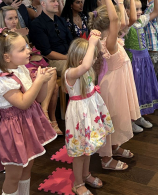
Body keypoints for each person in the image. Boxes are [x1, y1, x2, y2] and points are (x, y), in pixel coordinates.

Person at [0, 28, 57, 195]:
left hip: (27, 124)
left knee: (27, 167)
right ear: (6, 57)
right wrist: (38, 82)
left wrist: (43, 82)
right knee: (13, 175)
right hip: (13, 130)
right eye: (22, 49)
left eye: (27, 46)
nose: (29, 50)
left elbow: (37, 99)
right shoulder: (3, 80)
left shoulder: (21, 68)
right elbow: (23, 103)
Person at [89, 0, 140, 171]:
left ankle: (115, 147)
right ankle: (106, 159)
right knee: (111, 120)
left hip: (120, 84)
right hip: (112, 88)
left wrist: (121, 2)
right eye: (116, 22)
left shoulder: (114, 38)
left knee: (118, 118)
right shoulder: (108, 44)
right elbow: (114, 18)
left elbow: (130, 19)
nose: (119, 23)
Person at [62, 34, 114, 195]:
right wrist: (91, 44)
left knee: (88, 148)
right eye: (90, 57)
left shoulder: (87, 70)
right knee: (80, 152)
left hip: (90, 114)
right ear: (80, 60)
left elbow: (101, 56)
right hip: (79, 117)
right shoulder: (71, 73)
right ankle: (78, 183)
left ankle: (86, 175)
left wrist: (96, 42)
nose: (93, 59)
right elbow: (85, 66)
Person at [124, 0, 158, 131]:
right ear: (126, 11)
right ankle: (130, 119)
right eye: (136, 9)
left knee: (142, 88)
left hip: (144, 58)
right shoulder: (126, 24)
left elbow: (156, 12)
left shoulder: (141, 21)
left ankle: (139, 115)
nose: (140, 12)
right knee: (133, 89)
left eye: (140, 8)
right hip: (133, 60)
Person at [29, 0, 74, 76]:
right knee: (78, 69)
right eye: (53, 1)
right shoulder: (37, 24)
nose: (57, 3)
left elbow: (71, 41)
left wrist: (76, 55)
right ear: (43, 4)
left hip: (68, 55)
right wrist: (69, 58)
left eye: (57, 1)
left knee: (90, 62)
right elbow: (47, 53)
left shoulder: (60, 20)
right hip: (53, 61)